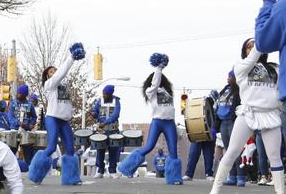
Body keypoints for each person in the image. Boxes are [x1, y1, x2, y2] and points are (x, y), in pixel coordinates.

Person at [207, 38, 285, 194]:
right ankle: (216, 187)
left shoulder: (274, 69)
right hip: (248, 113)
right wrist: (263, 35)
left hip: (269, 114)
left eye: (255, 45)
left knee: (275, 156)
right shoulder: (241, 66)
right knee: (232, 151)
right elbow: (253, 57)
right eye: (248, 46)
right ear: (244, 51)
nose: (252, 48)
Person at [117, 53, 182, 184]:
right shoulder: (151, 92)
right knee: (149, 146)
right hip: (157, 122)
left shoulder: (168, 92)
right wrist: (159, 69)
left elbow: (171, 109)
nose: (157, 80)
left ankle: (174, 178)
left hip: (169, 122)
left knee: (173, 149)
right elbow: (155, 82)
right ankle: (126, 168)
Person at [28, 42, 85, 186]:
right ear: (48, 76)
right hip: (52, 118)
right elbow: (62, 73)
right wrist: (71, 57)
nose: (54, 72)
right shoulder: (49, 85)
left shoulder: (63, 85)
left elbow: (63, 74)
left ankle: (71, 178)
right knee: (52, 147)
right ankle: (35, 174)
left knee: (70, 148)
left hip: (64, 120)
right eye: (51, 72)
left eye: (55, 70)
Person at [184, 90, 217, 182]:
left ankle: (209, 174)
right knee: (193, 153)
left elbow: (217, 120)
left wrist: (214, 131)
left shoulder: (217, 107)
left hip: (211, 131)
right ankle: (188, 174)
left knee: (209, 154)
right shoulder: (203, 105)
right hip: (198, 129)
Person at [91, 84, 122, 178]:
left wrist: (106, 122)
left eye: (105, 94)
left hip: (113, 130)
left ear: (110, 94)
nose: (103, 95)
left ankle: (112, 171)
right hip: (102, 130)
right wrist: (94, 114)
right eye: (103, 93)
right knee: (100, 150)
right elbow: (95, 111)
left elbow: (116, 115)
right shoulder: (99, 100)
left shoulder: (116, 101)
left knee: (113, 150)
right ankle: (100, 170)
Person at [7, 84, 38, 165]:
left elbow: (34, 117)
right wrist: (18, 123)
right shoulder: (13, 103)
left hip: (26, 132)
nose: (18, 94)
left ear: (24, 95)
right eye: (18, 93)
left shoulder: (30, 105)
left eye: (20, 93)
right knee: (10, 154)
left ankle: (29, 172)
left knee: (28, 156)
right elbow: (10, 117)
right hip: (14, 131)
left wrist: (31, 124)